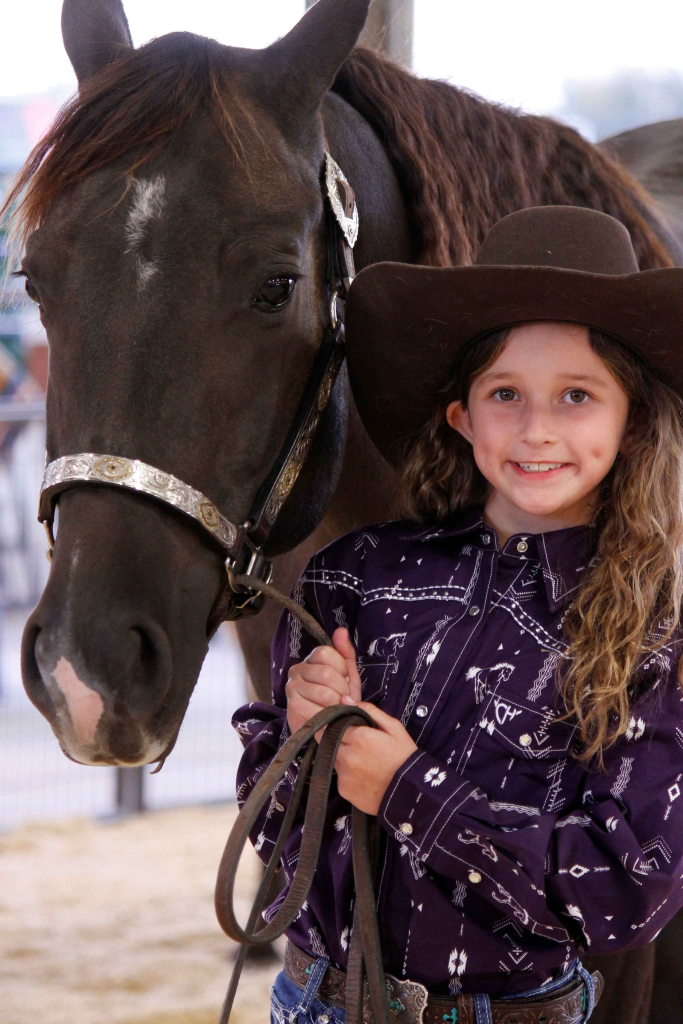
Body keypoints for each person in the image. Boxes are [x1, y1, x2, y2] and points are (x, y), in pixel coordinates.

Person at [232, 205, 683, 1024]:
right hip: (312, 1001)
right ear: (462, 417)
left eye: (576, 395)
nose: (536, 429)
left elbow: (624, 889)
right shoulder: (356, 578)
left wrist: (406, 788)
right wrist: (300, 741)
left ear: (632, 420)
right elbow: (272, 834)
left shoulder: (657, 626)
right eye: (504, 393)